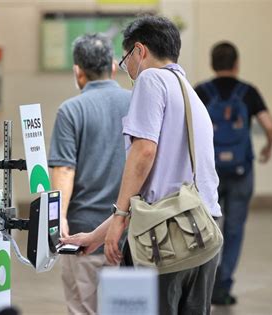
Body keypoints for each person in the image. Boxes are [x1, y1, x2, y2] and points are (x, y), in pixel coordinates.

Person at [62, 16, 222, 315]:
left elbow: (144, 153)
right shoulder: (190, 93)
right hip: (203, 236)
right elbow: (160, 194)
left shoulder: (151, 79)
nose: (128, 71)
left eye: (126, 61)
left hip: (165, 241)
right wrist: (95, 237)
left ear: (140, 51)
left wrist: (119, 219)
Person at [48, 33, 131, 315]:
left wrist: (57, 216)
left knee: (85, 309)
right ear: (113, 65)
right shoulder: (137, 103)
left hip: (84, 235)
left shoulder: (71, 110)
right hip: (131, 234)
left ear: (77, 72)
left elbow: (64, 169)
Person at [194, 42, 272, 305]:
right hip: (241, 171)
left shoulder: (202, 92)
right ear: (237, 63)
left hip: (209, 172)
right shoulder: (248, 92)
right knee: (234, 228)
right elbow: (271, 127)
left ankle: (204, 285)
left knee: (205, 228)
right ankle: (224, 285)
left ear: (212, 63)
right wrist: (267, 148)